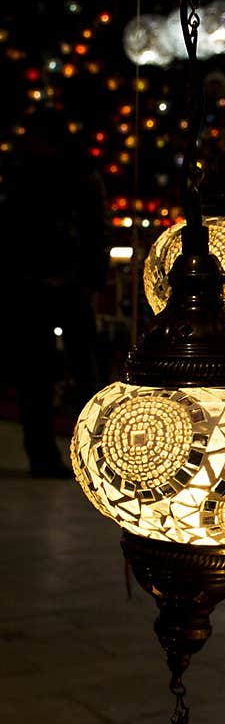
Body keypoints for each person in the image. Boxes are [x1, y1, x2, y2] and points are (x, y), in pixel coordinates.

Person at [0, 109, 108, 477]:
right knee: (44, 375)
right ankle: (62, 456)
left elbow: (95, 231)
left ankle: (81, 453)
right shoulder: (29, 174)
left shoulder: (38, 175)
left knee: (65, 374)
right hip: (40, 285)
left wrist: (86, 277)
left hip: (54, 284)